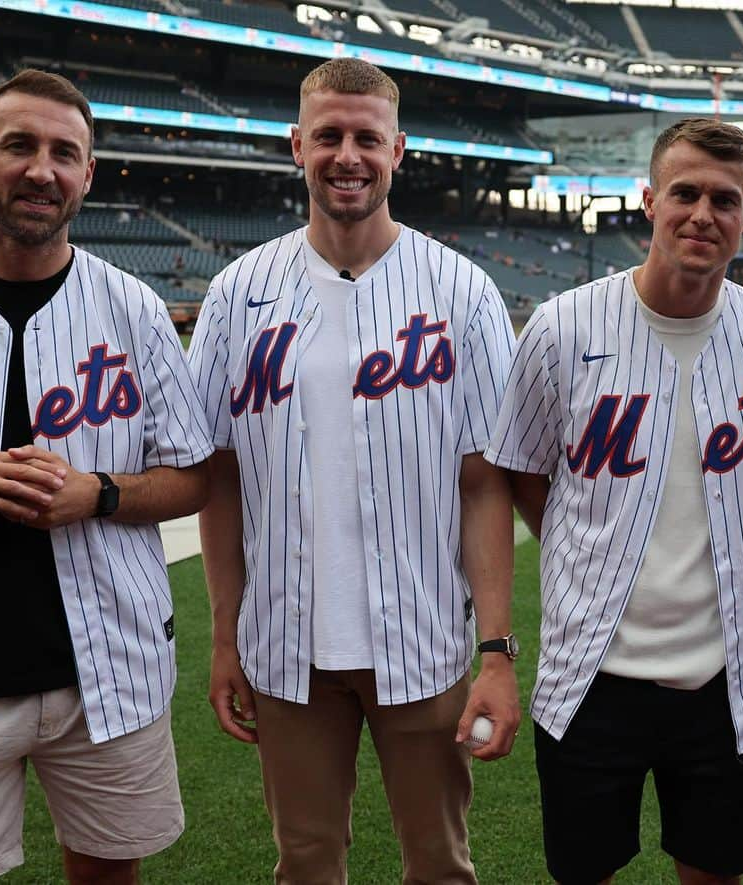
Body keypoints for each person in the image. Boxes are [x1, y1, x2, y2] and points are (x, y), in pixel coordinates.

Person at [187, 58, 520, 884]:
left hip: (424, 638)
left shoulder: (462, 291)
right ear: (296, 145)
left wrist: (497, 651)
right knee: (304, 862)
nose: (347, 155)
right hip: (284, 644)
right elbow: (219, 477)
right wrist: (225, 635)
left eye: (366, 138)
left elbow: (485, 482)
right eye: (328, 136)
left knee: (441, 864)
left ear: (398, 149)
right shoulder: (236, 293)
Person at [486, 118, 743, 884]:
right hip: (591, 673)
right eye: (685, 193)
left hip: (727, 674)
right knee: (584, 870)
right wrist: (578, 538)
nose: (703, 213)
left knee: (714, 870)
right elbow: (518, 470)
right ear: (649, 199)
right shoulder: (562, 327)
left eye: (725, 199)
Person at [0, 70, 212, 884]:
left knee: (109, 873)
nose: (40, 169)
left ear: (88, 173)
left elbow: (193, 476)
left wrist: (101, 493)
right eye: (20, 146)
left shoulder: (132, 307)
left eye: (63, 152)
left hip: (108, 665)